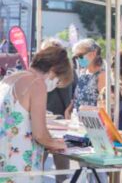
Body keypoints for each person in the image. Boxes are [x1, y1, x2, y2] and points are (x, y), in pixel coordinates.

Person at [0, 46, 72, 183]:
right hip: (20, 166)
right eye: (57, 81)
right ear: (53, 71)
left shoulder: (11, 78)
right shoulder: (36, 84)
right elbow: (40, 134)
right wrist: (59, 144)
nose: (55, 85)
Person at [41, 38, 75, 183]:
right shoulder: (63, 72)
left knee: (44, 165)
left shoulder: (60, 73)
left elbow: (68, 97)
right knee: (60, 168)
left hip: (55, 123)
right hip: (54, 122)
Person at [65, 39, 105, 116]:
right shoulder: (82, 73)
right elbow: (77, 97)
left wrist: (84, 109)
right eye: (75, 57)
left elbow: (104, 105)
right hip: (77, 120)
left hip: (93, 122)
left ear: (93, 54)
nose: (78, 60)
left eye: (80, 56)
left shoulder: (101, 75)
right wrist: (68, 109)